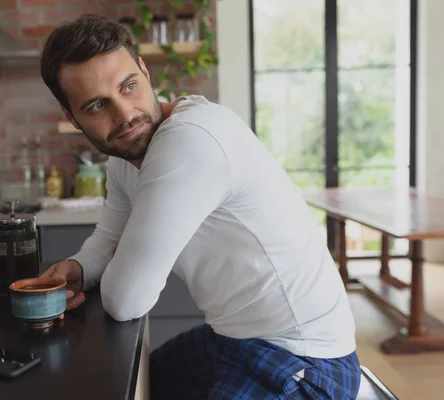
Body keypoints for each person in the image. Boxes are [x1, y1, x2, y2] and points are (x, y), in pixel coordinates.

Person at [38, 14, 361, 400]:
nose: (124, 115)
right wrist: (78, 269)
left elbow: (126, 299)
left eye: (129, 86)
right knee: (144, 384)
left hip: (307, 361)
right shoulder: (124, 158)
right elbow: (108, 239)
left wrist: (106, 274)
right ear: (71, 117)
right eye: (96, 106)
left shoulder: (191, 140)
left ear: (144, 70)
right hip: (233, 339)